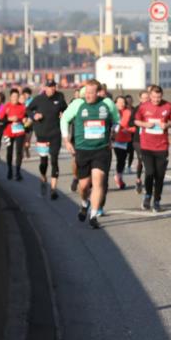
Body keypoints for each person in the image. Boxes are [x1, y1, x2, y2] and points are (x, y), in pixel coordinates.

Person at [61, 80, 119, 229]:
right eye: (86, 92)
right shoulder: (77, 104)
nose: (88, 95)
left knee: (98, 181)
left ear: (98, 92)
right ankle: (84, 203)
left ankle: (93, 216)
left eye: (91, 93)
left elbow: (117, 121)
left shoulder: (107, 104)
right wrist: (67, 140)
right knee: (84, 185)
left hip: (101, 149)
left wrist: (113, 134)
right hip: (82, 149)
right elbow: (64, 120)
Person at [133, 85, 171, 212]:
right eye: (153, 97)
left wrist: (167, 124)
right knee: (150, 172)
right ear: (150, 96)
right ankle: (147, 196)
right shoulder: (143, 106)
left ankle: (157, 200)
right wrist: (145, 124)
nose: (156, 99)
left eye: (158, 97)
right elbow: (136, 121)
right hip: (146, 145)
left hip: (162, 146)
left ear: (161, 95)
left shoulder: (168, 106)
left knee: (160, 175)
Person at [26, 79, 68, 199]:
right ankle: (43, 176)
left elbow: (65, 108)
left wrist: (63, 113)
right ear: (45, 88)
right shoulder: (39, 99)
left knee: (54, 160)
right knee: (43, 162)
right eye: (50, 87)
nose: (52, 89)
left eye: (54, 86)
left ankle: (53, 189)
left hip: (55, 133)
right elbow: (28, 109)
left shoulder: (60, 97)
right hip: (42, 134)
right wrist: (34, 116)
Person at [0, 89, 28, 181]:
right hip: (8, 133)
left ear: (18, 97)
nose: (15, 98)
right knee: (9, 152)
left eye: (16, 96)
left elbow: (26, 116)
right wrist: (9, 119)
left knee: (19, 152)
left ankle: (18, 172)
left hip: (19, 132)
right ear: (10, 97)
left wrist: (24, 120)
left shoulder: (22, 107)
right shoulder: (6, 107)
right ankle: (10, 170)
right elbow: (0, 120)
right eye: (13, 96)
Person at [111, 95, 136, 190]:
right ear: (115, 103)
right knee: (116, 158)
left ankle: (119, 177)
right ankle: (116, 177)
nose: (121, 104)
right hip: (112, 139)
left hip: (125, 140)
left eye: (123, 102)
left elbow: (135, 127)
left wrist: (128, 130)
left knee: (121, 159)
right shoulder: (111, 112)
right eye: (119, 102)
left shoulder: (128, 112)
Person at [132, 89, 149, 194]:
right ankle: (138, 179)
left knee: (147, 161)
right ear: (140, 99)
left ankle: (148, 181)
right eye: (144, 98)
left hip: (150, 138)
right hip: (138, 139)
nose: (146, 100)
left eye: (147, 98)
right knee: (141, 158)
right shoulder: (137, 109)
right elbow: (131, 122)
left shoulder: (154, 108)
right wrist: (141, 123)